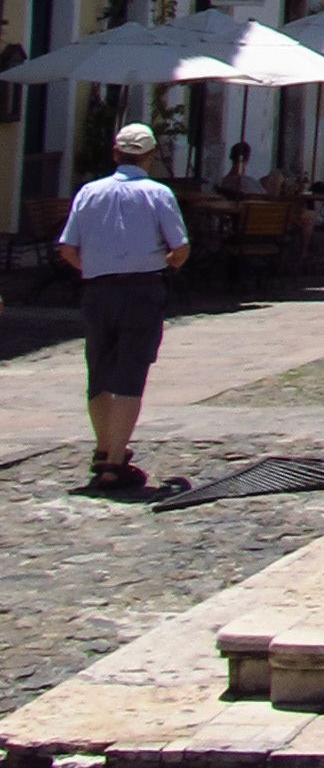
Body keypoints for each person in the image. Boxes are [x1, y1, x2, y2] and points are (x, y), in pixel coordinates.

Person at [55, 122, 191, 495]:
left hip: (98, 289)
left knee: (98, 368)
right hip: (142, 288)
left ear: (116, 153)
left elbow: (67, 248)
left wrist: (96, 269)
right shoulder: (157, 193)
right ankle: (115, 461)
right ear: (148, 157)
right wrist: (168, 267)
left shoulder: (89, 192)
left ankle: (103, 447)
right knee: (131, 371)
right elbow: (180, 247)